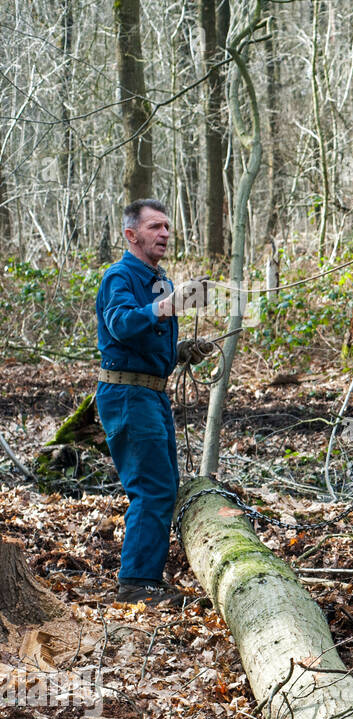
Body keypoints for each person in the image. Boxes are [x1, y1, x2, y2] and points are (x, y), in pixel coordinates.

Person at [95, 199, 208, 606]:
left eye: (166, 227)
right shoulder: (119, 277)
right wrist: (169, 306)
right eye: (155, 227)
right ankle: (138, 584)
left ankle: (146, 578)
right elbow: (120, 324)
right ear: (132, 235)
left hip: (150, 393)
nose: (164, 234)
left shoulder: (157, 279)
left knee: (162, 485)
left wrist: (181, 351)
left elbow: (142, 343)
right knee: (152, 488)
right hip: (128, 396)